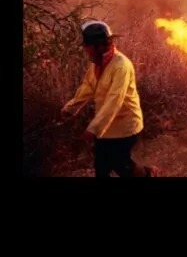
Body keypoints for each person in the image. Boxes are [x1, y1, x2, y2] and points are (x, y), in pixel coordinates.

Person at [61, 20, 159, 177]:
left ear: (99, 46)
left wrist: (94, 128)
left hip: (125, 125)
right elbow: (87, 87)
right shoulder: (97, 65)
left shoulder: (121, 66)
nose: (86, 50)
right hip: (106, 127)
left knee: (121, 165)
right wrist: (70, 108)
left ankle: (148, 174)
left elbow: (115, 101)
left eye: (88, 46)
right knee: (101, 166)